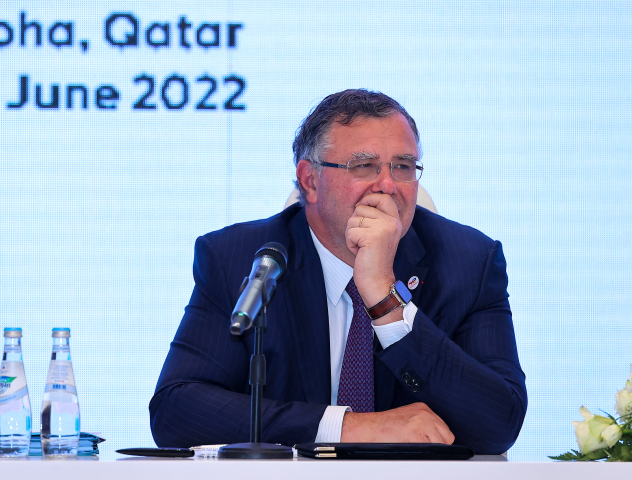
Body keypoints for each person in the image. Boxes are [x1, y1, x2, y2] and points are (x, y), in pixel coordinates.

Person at [150, 89, 527, 454]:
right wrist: (349, 427)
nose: (388, 185)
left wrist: (384, 297)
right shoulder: (240, 259)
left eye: (404, 166)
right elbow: (175, 411)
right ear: (310, 181)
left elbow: (498, 425)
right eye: (364, 166)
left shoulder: (469, 262)